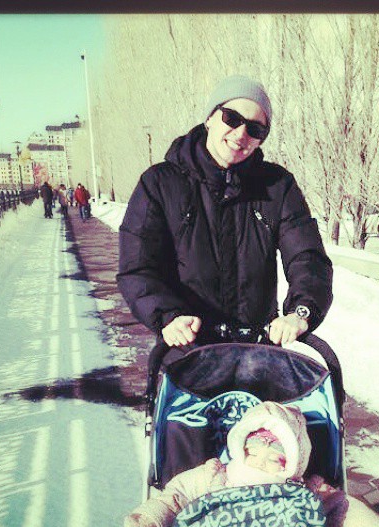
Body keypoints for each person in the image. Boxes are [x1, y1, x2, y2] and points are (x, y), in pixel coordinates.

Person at [117, 75, 333, 348]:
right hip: (188, 350)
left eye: (255, 129)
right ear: (210, 118)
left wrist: (301, 312)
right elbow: (138, 267)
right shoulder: (159, 184)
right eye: (232, 118)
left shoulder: (277, 187)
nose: (241, 134)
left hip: (256, 352)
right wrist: (167, 316)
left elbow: (307, 258)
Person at [124, 401, 379, 527]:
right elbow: (176, 495)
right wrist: (151, 518)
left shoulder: (306, 490)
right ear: (240, 449)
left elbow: (341, 510)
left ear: (293, 462)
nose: (259, 464)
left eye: (275, 458)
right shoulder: (216, 476)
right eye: (252, 453)